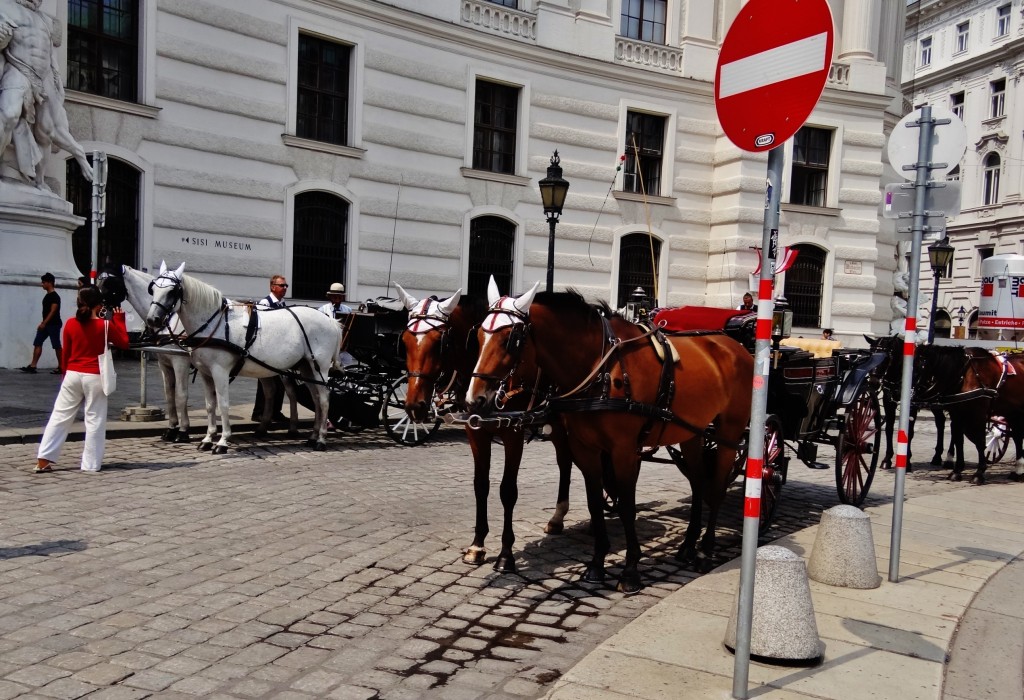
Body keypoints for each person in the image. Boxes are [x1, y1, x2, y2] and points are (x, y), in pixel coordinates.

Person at [33, 286, 128, 473]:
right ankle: (90, 464)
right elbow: (124, 343)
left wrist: (64, 375)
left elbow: (66, 354)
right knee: (94, 420)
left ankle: (44, 459)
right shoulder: (105, 325)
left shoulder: (69, 323)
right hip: (94, 375)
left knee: (60, 416)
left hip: (72, 374)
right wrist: (118, 319)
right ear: (98, 304)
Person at [0, 0, 93, 186]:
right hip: (19, 69)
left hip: (44, 78)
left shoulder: (44, 19)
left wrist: (56, 84)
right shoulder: (4, 6)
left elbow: (50, 55)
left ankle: (39, 182)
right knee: (8, 114)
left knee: (47, 132)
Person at [251, 274, 288, 422]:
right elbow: (262, 326)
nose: (285, 288)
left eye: (286, 286)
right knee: (265, 382)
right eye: (282, 285)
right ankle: (259, 412)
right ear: (273, 287)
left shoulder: (282, 303)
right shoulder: (265, 303)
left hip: (279, 349)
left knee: (280, 383)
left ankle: (275, 412)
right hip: (267, 349)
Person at [20, 272, 62, 374]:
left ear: (50, 283)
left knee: (56, 345)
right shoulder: (48, 296)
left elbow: (53, 311)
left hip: (54, 324)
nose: (42, 284)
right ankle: (33, 366)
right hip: (46, 324)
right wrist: (44, 323)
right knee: (37, 343)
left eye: (44, 282)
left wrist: (44, 323)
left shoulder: (55, 296)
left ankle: (62, 366)